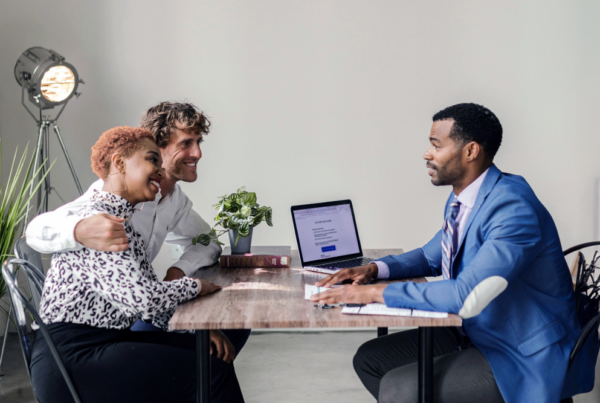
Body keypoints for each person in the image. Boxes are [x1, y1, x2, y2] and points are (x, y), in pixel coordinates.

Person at [311, 103, 586, 403]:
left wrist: (374, 294)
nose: (427, 154)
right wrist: (373, 270)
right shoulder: (465, 197)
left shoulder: (512, 208)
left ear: (470, 151)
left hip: (518, 352)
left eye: (436, 145)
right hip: (475, 330)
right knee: (370, 359)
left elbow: (467, 294)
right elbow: (431, 256)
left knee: (400, 390)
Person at [26, 103, 250, 399]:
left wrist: (180, 286)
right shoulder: (101, 218)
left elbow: (204, 243)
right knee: (211, 373)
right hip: (73, 354)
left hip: (111, 335)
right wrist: (78, 230)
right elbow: (36, 231)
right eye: (153, 159)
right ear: (121, 163)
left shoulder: (133, 215)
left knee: (215, 352)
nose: (197, 153)